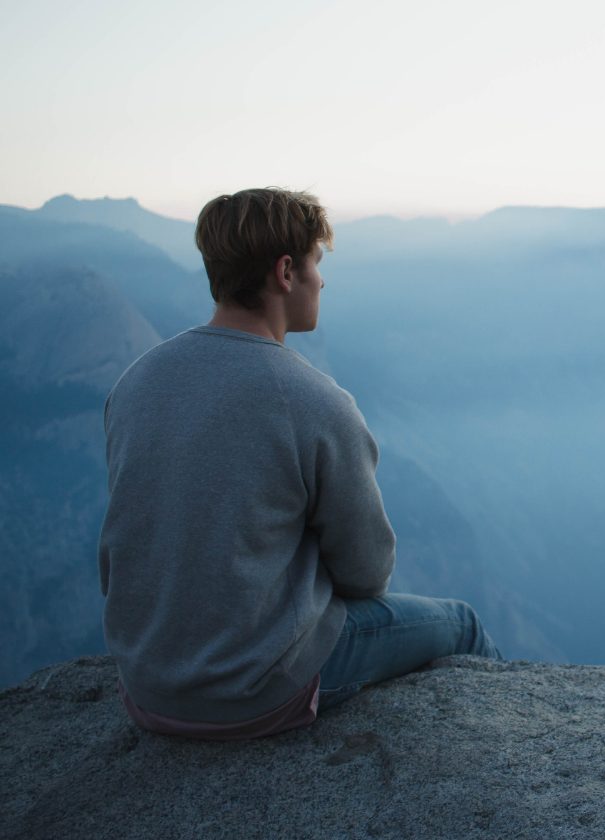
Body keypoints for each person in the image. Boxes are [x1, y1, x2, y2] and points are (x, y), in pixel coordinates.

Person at [97, 187, 501, 740]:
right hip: (255, 694)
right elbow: (368, 572)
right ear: (286, 272)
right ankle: (517, 756)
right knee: (463, 623)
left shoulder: (134, 384)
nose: (322, 280)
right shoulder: (315, 402)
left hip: (145, 690)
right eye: (317, 262)